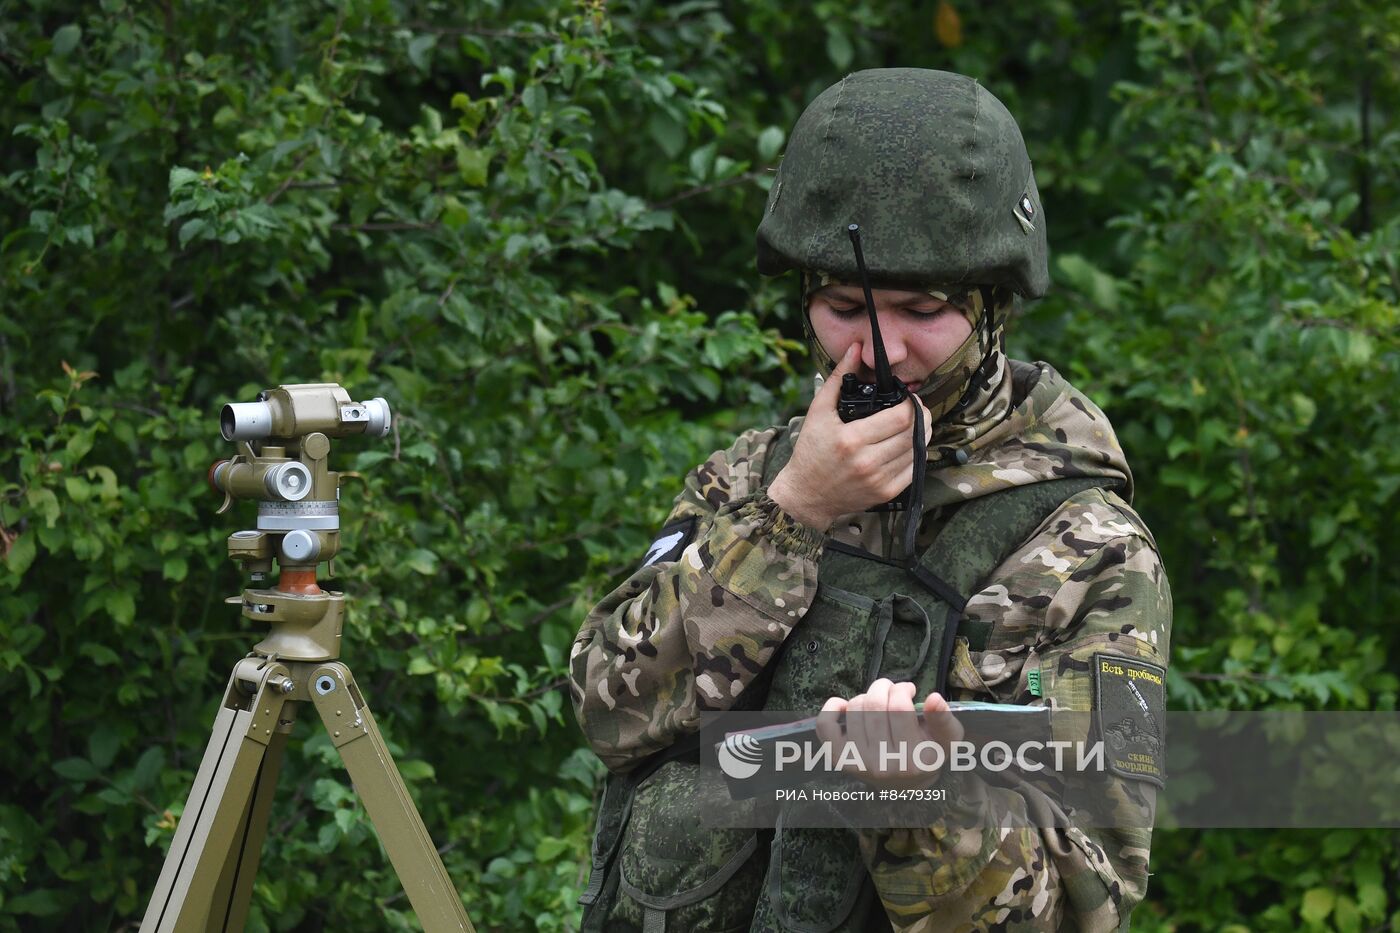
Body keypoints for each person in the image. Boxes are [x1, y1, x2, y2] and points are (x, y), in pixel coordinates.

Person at [569, 68, 1171, 932]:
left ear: (993, 307)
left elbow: (1090, 903)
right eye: (845, 305)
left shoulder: (1089, 547)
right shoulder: (755, 476)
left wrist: (922, 802)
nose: (881, 350)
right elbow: (605, 710)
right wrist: (790, 516)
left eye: (922, 309)